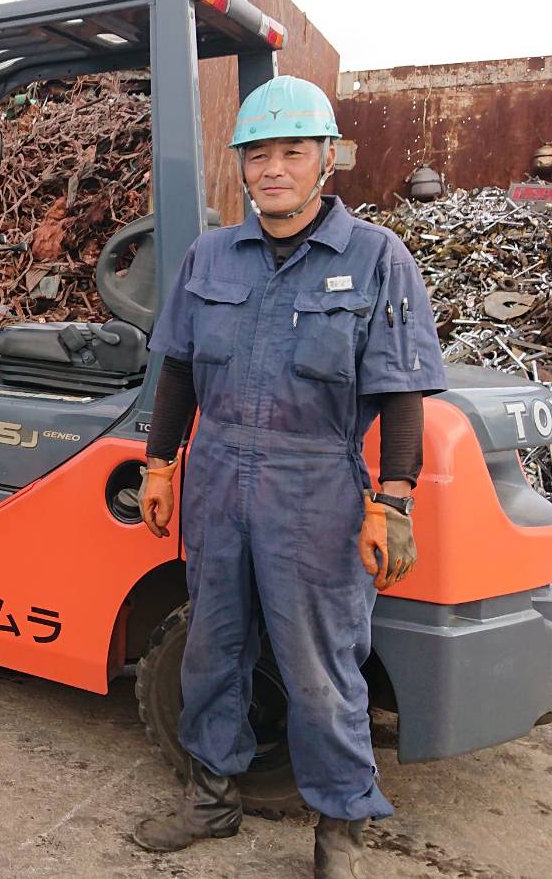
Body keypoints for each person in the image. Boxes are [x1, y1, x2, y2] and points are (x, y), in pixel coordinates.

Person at [131, 76, 446, 878]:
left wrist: (393, 501)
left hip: (315, 486)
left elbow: (399, 390)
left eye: (291, 152)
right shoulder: (210, 254)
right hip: (215, 474)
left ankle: (338, 826)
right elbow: (176, 370)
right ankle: (211, 797)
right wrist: (161, 462)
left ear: (324, 161)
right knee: (213, 645)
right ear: (241, 166)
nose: (273, 168)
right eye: (258, 154)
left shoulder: (376, 258)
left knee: (319, 664)